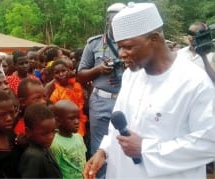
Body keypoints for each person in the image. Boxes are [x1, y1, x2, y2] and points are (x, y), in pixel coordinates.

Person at [84, 2, 215, 179]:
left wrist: (146, 149)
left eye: (128, 47)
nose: (121, 54)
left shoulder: (194, 82)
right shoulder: (131, 75)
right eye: (120, 46)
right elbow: (119, 122)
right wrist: (104, 150)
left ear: (154, 39)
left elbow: (209, 142)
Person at [77, 2, 126, 177]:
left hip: (127, 99)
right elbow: (80, 75)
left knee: (125, 144)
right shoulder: (94, 44)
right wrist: (98, 70)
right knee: (99, 148)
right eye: (112, 19)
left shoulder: (133, 43)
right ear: (107, 21)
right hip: (101, 101)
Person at [18, 103, 62, 178]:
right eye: (44, 133)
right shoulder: (33, 156)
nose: (51, 137)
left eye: (53, 131)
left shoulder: (43, 147)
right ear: (28, 131)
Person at [48, 60, 88, 136]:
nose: (61, 74)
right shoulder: (55, 94)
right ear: (53, 76)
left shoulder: (77, 85)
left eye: (63, 71)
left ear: (69, 70)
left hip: (81, 124)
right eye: (57, 73)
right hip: (67, 130)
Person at [50, 100, 87, 179]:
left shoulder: (79, 137)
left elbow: (83, 160)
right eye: (71, 118)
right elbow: (55, 170)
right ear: (58, 121)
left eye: (78, 118)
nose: (77, 122)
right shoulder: (55, 144)